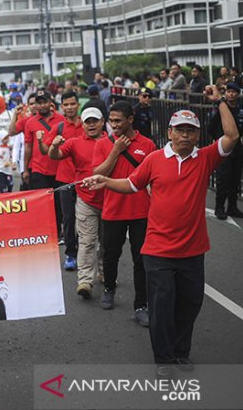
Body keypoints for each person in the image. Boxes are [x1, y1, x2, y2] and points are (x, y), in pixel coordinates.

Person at [82, 85, 239, 377]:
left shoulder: (204, 158)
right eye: (179, 130)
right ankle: (164, 358)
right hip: (158, 250)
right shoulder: (154, 159)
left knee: (190, 303)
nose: (184, 135)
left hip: (193, 250)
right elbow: (131, 184)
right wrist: (105, 182)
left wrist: (219, 102)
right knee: (162, 306)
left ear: (197, 135)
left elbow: (231, 136)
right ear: (169, 133)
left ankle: (181, 352)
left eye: (190, 131)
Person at [92, 100, 156, 326]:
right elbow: (98, 174)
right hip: (113, 211)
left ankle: (141, 305)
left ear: (131, 120)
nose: (114, 125)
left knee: (142, 260)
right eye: (111, 121)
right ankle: (109, 288)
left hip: (141, 212)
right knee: (110, 256)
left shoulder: (147, 144)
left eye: (118, 121)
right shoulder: (103, 144)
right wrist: (116, 151)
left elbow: (153, 177)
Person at [48, 107, 106, 300]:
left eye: (94, 121)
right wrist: (54, 146)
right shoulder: (74, 143)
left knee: (106, 243)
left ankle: (105, 272)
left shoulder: (113, 142)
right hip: (85, 199)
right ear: (82, 122)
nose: (91, 125)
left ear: (102, 122)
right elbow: (54, 156)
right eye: (87, 121)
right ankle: (85, 281)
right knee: (87, 241)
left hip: (111, 200)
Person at [39, 91, 82, 270]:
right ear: (61, 107)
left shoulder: (88, 125)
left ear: (78, 105)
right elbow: (45, 151)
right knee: (68, 218)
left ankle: (89, 254)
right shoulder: (59, 128)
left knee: (88, 219)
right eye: (66, 104)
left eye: (73, 104)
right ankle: (71, 254)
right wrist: (43, 141)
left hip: (84, 180)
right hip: (64, 180)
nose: (70, 107)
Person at [210, 82, 243, 220]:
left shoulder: (241, 110)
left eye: (234, 92)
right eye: (229, 91)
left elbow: (242, 128)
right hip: (223, 146)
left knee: (235, 179)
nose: (231, 94)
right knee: (223, 179)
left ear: (238, 94)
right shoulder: (220, 108)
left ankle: (232, 207)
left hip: (237, 147)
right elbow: (212, 127)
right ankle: (219, 207)